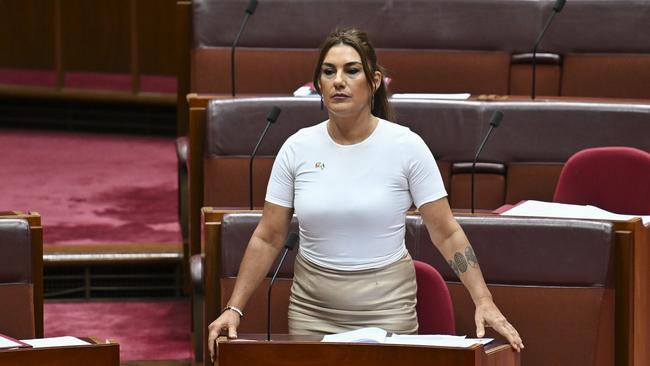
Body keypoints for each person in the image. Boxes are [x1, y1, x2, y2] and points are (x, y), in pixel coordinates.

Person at [208, 27, 524, 360]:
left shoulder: (406, 146)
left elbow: (446, 232)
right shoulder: (297, 148)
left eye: (351, 70)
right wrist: (235, 307)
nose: (338, 81)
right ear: (318, 84)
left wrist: (484, 300)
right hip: (312, 310)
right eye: (328, 72)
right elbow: (268, 237)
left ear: (373, 82)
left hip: (387, 309)